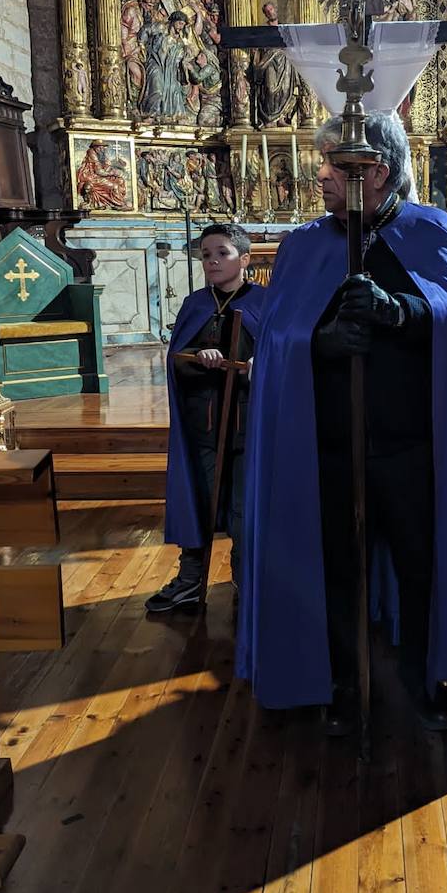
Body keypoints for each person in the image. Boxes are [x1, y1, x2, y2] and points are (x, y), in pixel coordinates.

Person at [238, 111, 447, 734]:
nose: (317, 175)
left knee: (424, 566)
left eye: (331, 165)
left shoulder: (429, 229)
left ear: (372, 171)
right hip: (327, 446)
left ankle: (432, 688)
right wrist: (322, 341)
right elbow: (278, 345)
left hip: (413, 446)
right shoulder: (304, 245)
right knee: (330, 569)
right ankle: (337, 686)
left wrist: (399, 310)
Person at [146, 223, 265, 612]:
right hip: (204, 426)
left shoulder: (265, 303)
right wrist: (198, 357)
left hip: (248, 427)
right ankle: (189, 580)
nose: (212, 261)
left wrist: (256, 364)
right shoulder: (195, 304)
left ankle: (245, 581)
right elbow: (176, 360)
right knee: (196, 499)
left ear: (244, 259)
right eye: (206, 255)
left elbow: (281, 355)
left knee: (244, 508)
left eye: (222, 253)